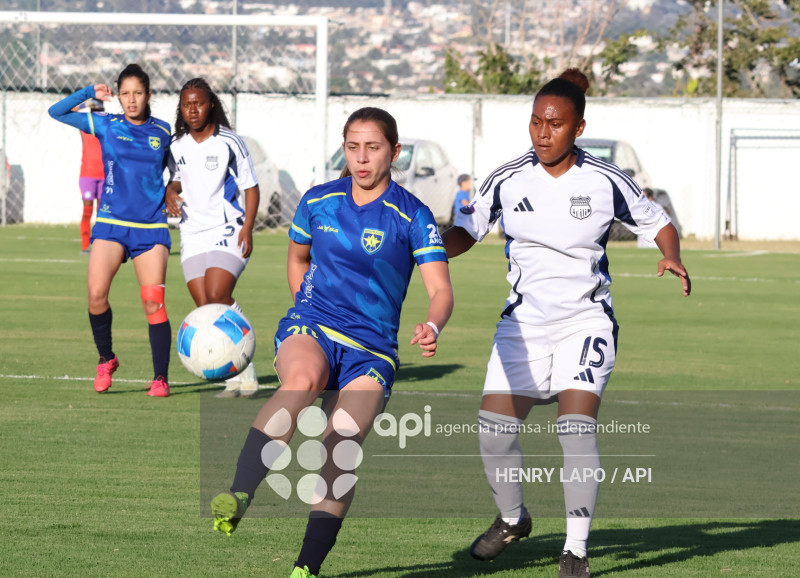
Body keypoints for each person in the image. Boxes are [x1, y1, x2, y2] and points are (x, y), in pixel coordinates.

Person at [443, 69, 690, 578]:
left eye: (554, 124)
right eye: (535, 122)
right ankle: (513, 520)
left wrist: (672, 255)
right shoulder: (507, 177)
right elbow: (466, 232)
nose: (542, 133)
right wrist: (421, 252)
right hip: (523, 326)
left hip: (585, 321)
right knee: (493, 434)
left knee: (575, 430)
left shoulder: (604, 178)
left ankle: (574, 552)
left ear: (578, 128)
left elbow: (659, 220)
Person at [210, 107, 454, 578]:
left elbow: (440, 289)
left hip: (373, 350)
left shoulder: (412, 214)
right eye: (353, 147)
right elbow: (297, 257)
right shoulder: (318, 200)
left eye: (373, 147)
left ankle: (306, 567)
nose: (361, 158)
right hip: (314, 326)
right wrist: (305, 304)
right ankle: (240, 493)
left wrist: (432, 325)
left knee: (339, 445)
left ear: (394, 152)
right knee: (302, 380)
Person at [48, 64, 174, 398]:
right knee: (95, 295)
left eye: (138, 93)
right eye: (125, 93)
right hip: (112, 224)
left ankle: (160, 377)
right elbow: (55, 111)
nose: (131, 100)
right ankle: (107, 359)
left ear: (148, 95)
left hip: (150, 228)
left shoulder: (163, 131)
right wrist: (89, 92)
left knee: (153, 303)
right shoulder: (106, 124)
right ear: (118, 95)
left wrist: (174, 188)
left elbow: (177, 170)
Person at [166, 78, 261, 398]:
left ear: (211, 106)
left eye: (199, 103)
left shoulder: (230, 141)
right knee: (205, 306)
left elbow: (250, 187)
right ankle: (236, 376)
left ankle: (245, 361)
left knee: (218, 293)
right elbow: (177, 180)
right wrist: (169, 190)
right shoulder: (176, 144)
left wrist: (247, 227)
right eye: (186, 104)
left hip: (228, 227)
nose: (192, 110)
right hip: (191, 231)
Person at [75, 98, 105, 255]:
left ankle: (99, 244)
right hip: (87, 175)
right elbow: (68, 111)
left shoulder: (106, 126)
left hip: (105, 175)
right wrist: (84, 104)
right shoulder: (84, 126)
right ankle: (85, 246)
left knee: (102, 213)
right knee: (87, 211)